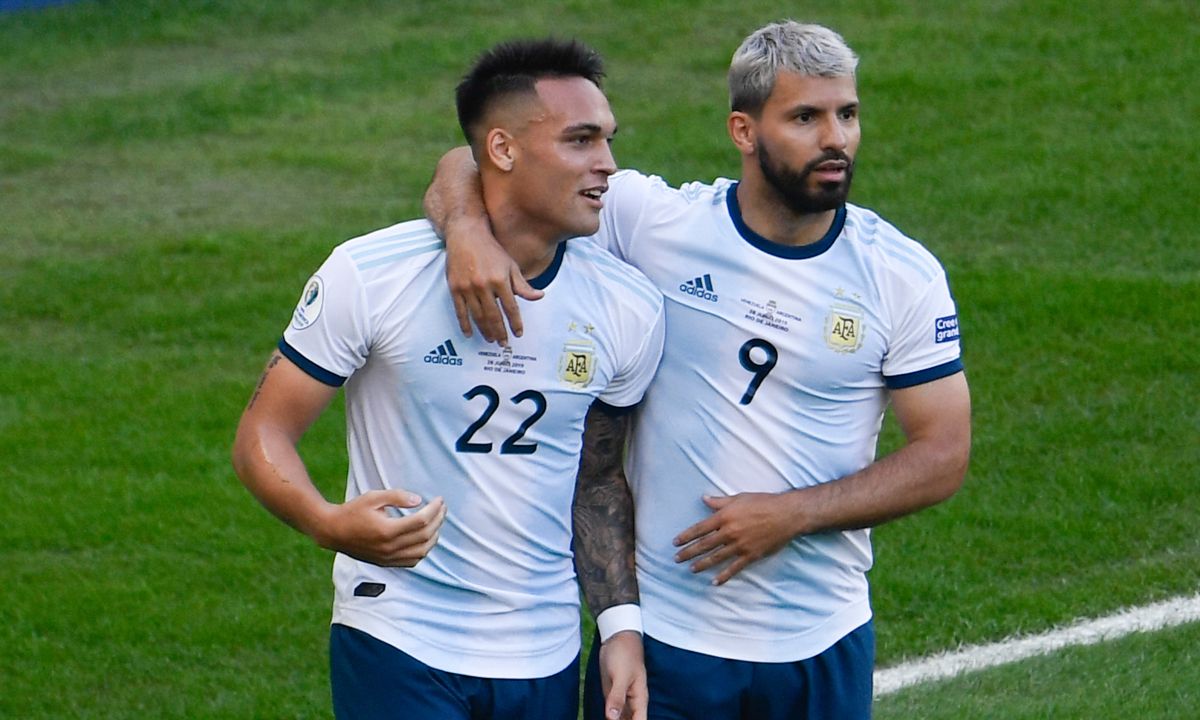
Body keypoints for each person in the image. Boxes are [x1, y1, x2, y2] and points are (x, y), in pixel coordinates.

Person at [425, 20, 972, 720]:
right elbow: (471, 162)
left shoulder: (900, 275)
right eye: (805, 117)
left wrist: (791, 515)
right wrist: (467, 231)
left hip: (822, 639)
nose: (835, 138)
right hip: (669, 646)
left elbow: (943, 456)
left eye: (848, 114)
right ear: (743, 131)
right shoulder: (657, 225)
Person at [232, 37, 663, 720]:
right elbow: (263, 432)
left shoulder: (628, 307)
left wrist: (619, 628)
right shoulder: (373, 274)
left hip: (544, 652)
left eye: (608, 140)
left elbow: (598, 478)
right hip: (398, 636)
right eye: (581, 141)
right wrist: (325, 522)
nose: (608, 165)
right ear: (502, 149)